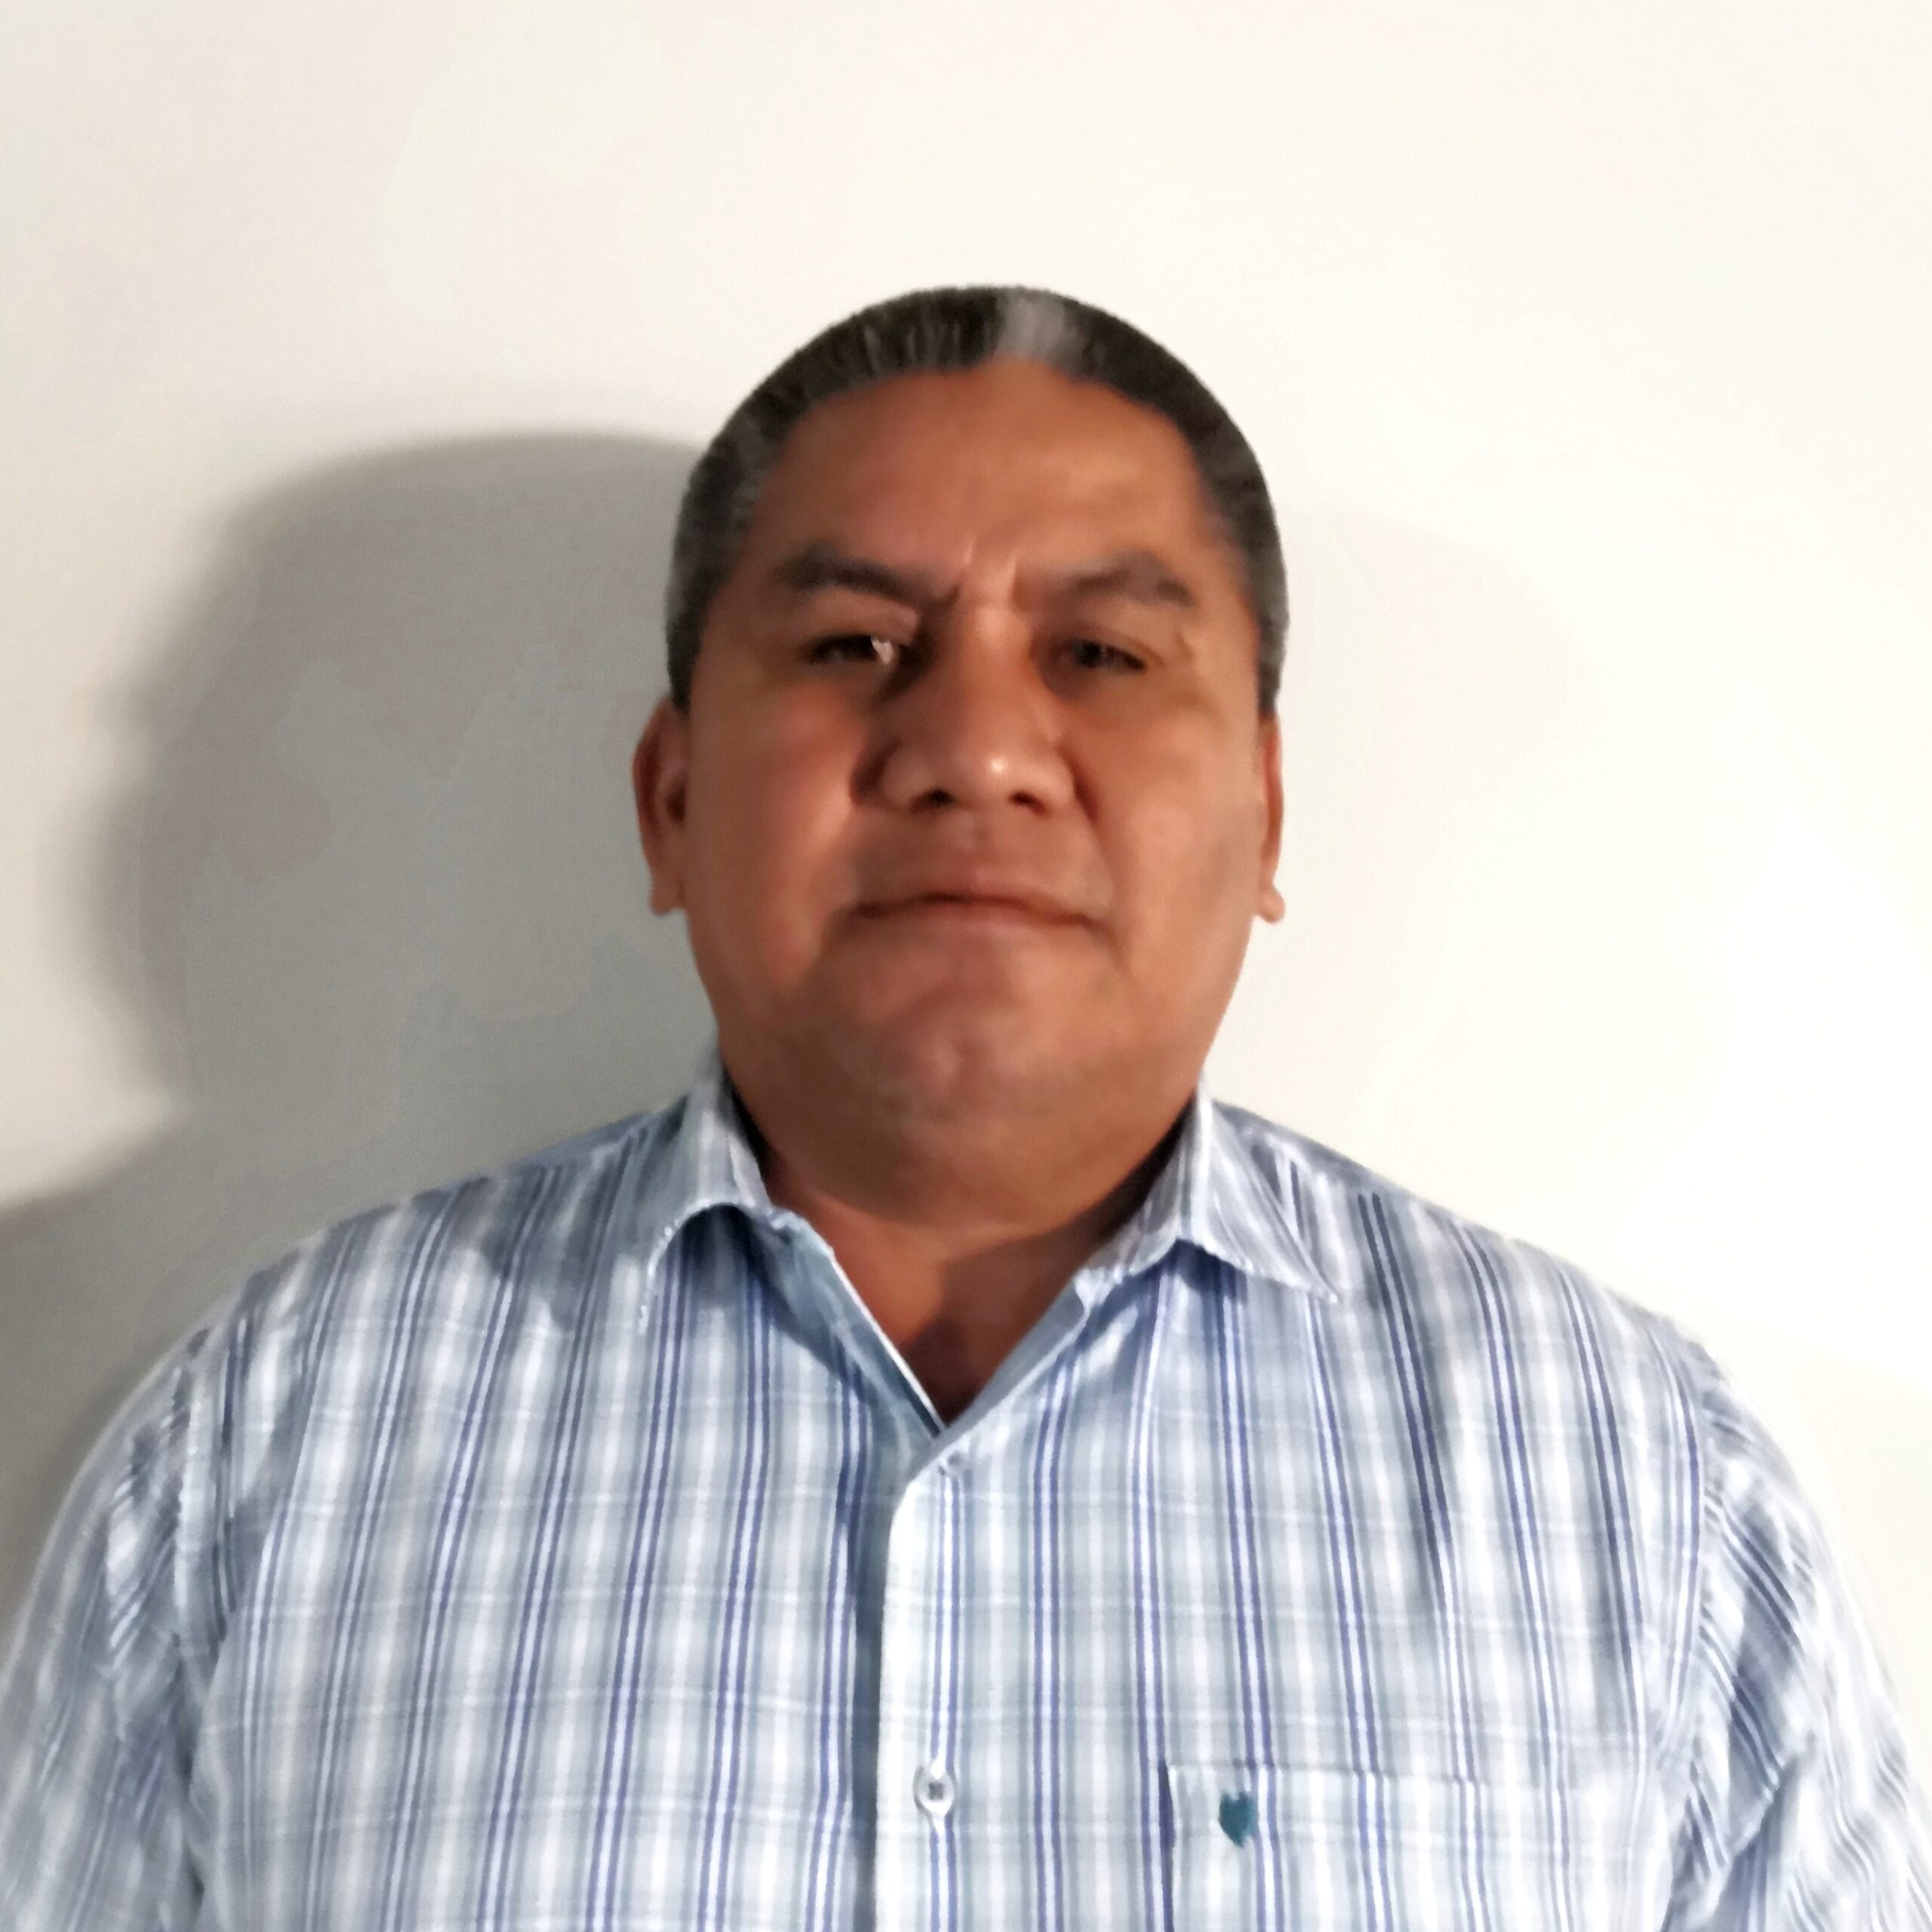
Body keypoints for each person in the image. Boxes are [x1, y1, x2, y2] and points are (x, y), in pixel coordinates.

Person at [0, 284, 1924, 1931]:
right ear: (671, 799)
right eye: (854, 647)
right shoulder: (267, 1441)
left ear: (1263, 811)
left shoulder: (1633, 1491)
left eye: (1099, 653)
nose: (977, 746)